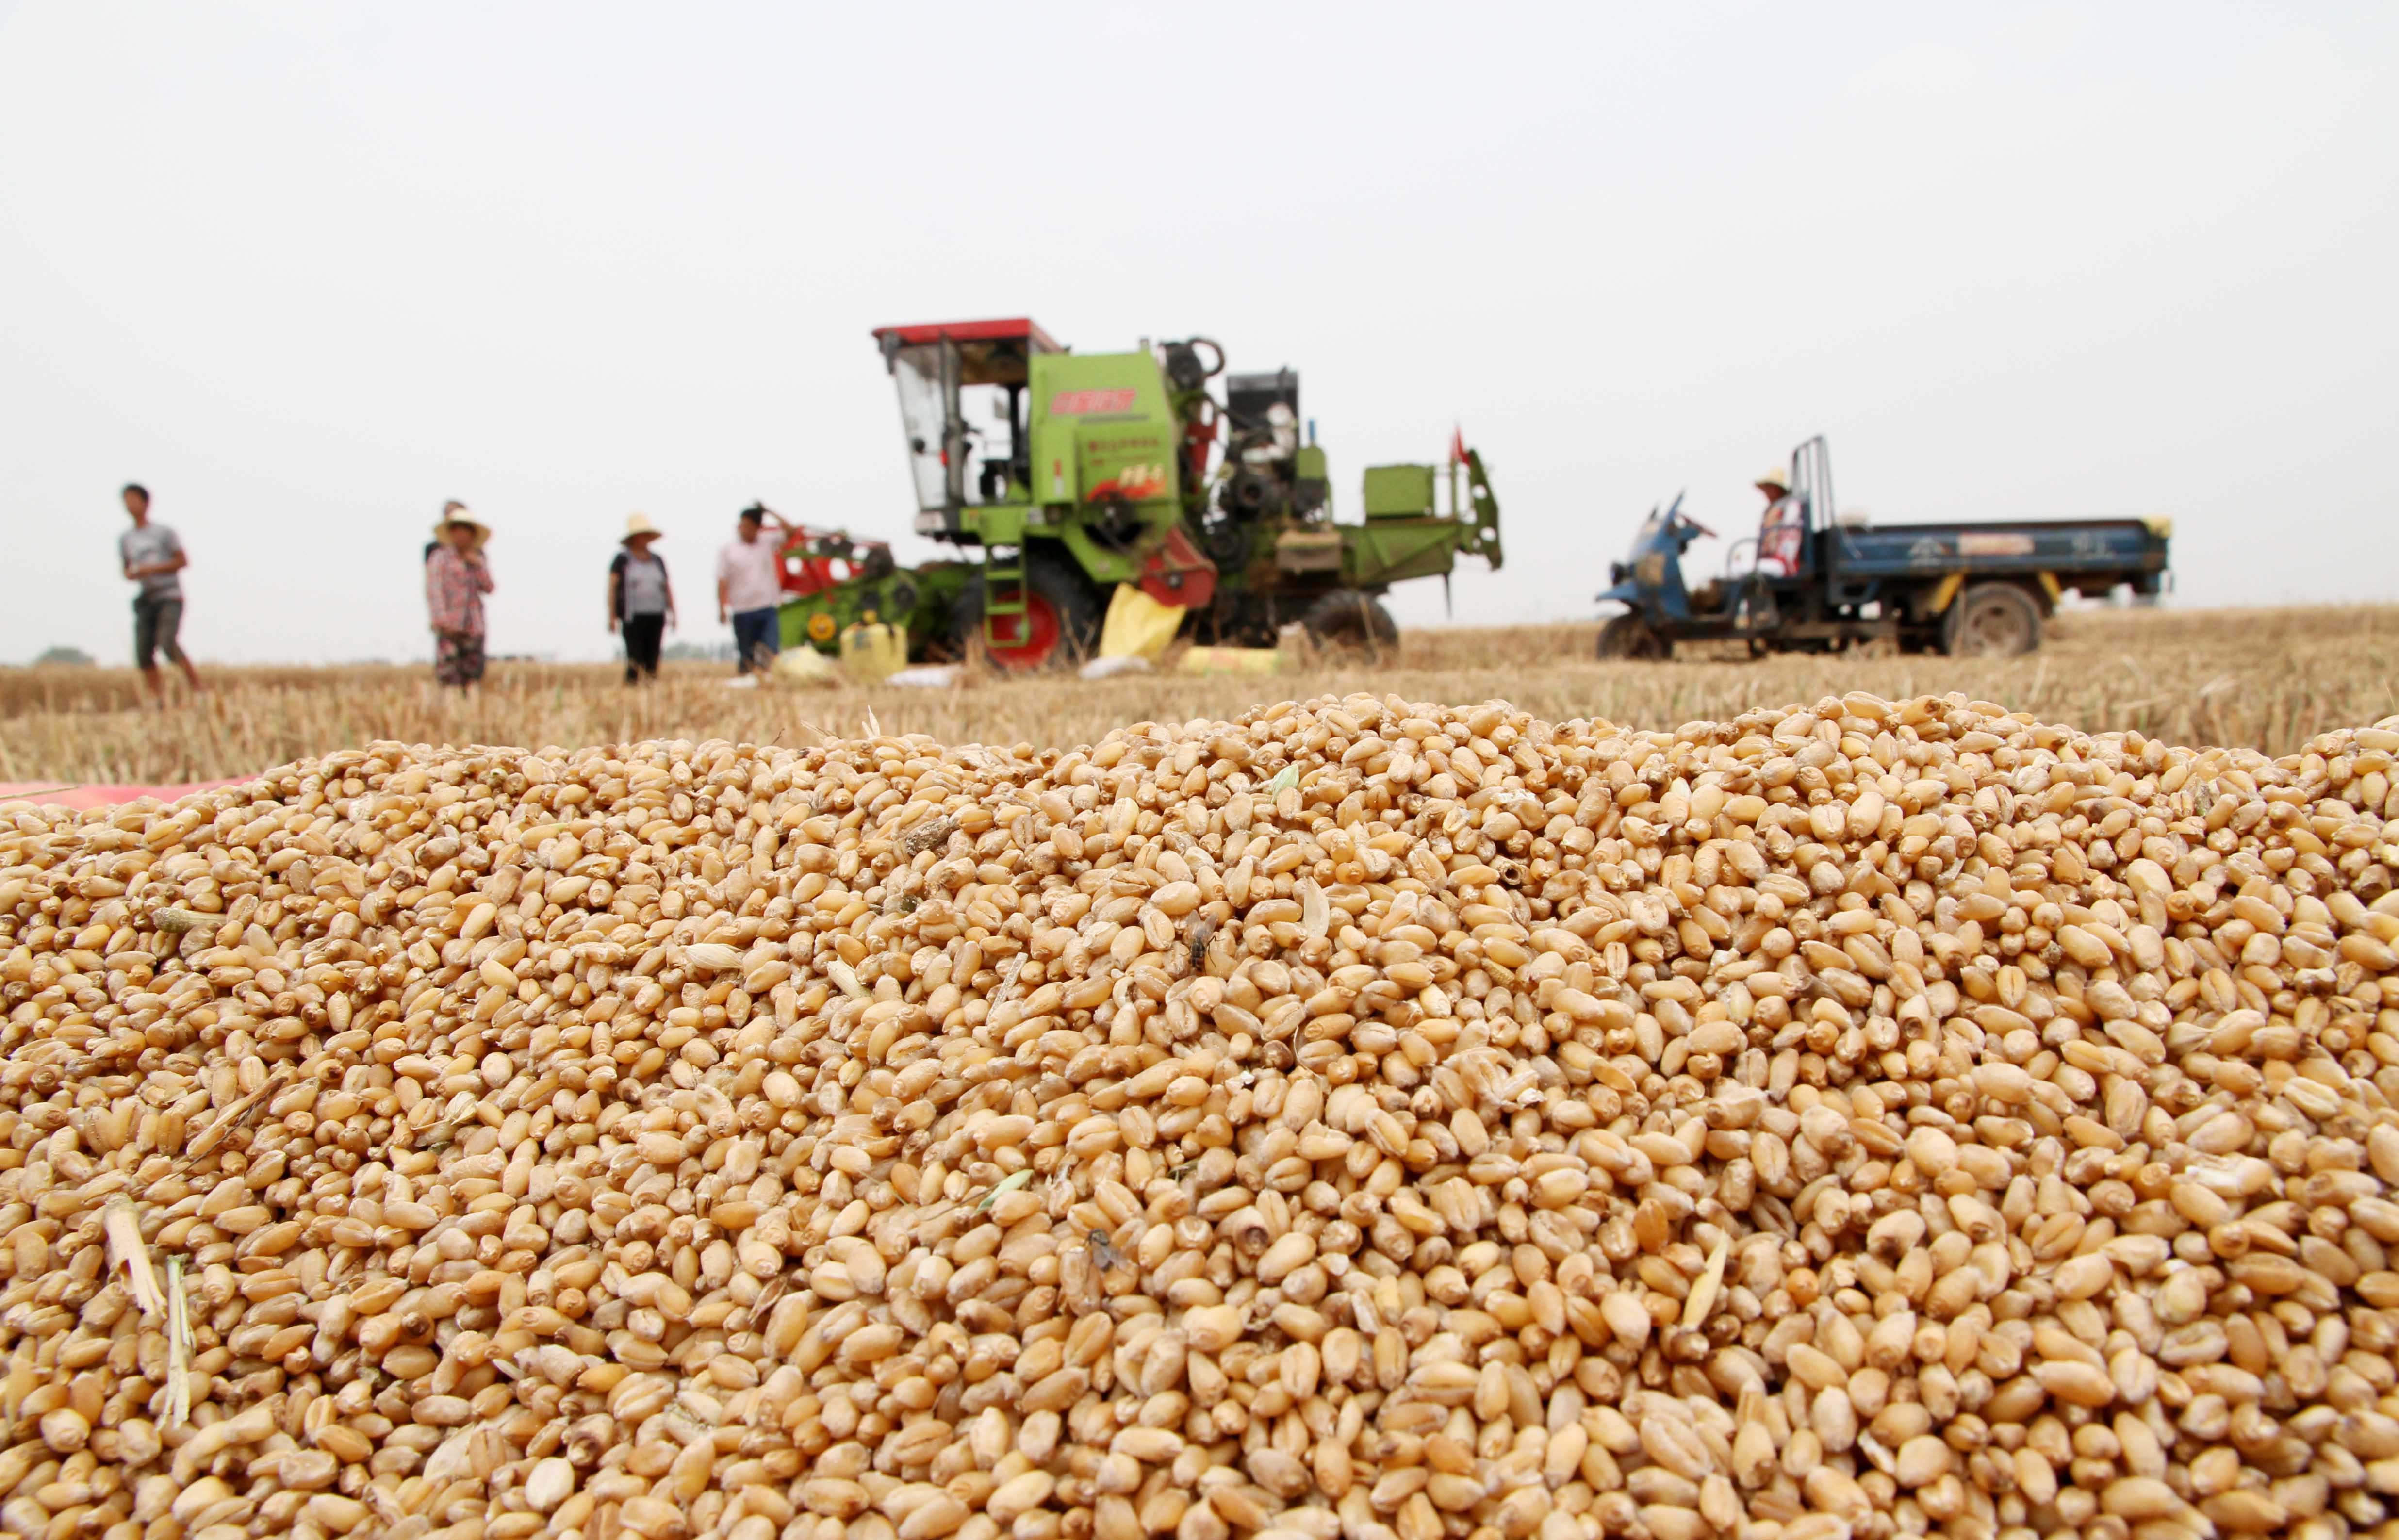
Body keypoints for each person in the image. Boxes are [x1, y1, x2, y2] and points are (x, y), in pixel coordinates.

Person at [118, 483, 202, 705]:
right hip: (146, 598)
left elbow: (182, 561)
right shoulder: (126, 538)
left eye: (134, 499)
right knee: (143, 652)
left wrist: (152, 569)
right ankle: (157, 700)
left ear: (146, 502)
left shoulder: (164, 533)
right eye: (126, 500)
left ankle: (197, 690)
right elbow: (125, 569)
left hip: (169, 596)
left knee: (167, 642)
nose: (130, 504)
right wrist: (132, 574)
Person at [425, 506, 494, 689]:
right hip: (449, 626)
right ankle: (452, 706)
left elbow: (489, 587)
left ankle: (470, 704)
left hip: (474, 626)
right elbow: (434, 591)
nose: (462, 535)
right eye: (458, 530)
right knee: (449, 677)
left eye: (466, 531)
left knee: (472, 677)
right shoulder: (439, 558)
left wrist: (477, 565)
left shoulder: (479, 558)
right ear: (451, 533)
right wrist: (441, 621)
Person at [716, 503, 788, 673]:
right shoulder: (728, 550)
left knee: (770, 653)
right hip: (742, 611)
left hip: (767, 608)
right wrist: (721, 608)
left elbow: (791, 531)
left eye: (749, 526)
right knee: (747, 658)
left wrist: (769, 510)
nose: (745, 529)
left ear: (758, 528)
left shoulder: (767, 542)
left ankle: (768, 683)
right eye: (743, 525)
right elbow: (722, 581)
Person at [609, 514, 676, 684]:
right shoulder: (622, 560)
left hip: (656, 614)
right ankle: (632, 688)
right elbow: (612, 588)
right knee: (635, 657)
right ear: (633, 538)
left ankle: (651, 687)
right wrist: (612, 616)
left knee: (653, 656)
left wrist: (673, 612)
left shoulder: (657, 560)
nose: (643, 539)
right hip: (632, 616)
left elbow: (666, 587)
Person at [1754, 466, 1804, 577]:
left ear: (1777, 489)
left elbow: (1790, 538)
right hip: (1772, 558)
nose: (1766, 492)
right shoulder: (1772, 509)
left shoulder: (1791, 507)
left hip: (1783, 561)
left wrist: (1785, 560)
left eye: (1769, 488)